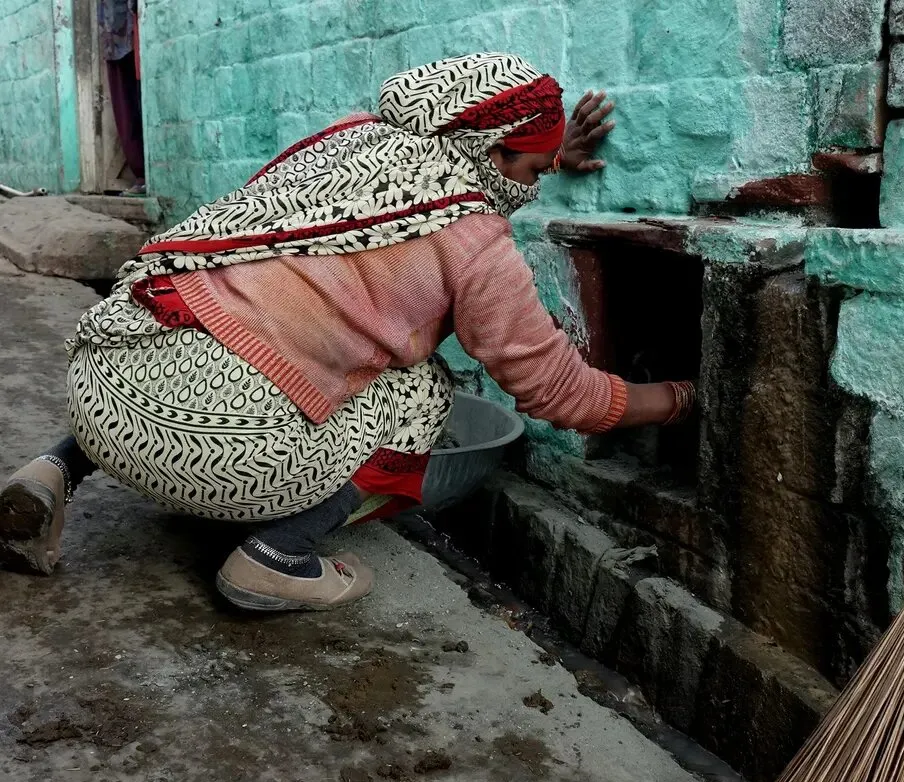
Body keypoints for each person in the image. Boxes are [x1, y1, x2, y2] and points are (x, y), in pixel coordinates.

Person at [0, 53, 695, 612]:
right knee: (424, 393)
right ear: (495, 154)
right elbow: (553, 388)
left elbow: (473, 163)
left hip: (104, 378)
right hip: (205, 448)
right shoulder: (477, 243)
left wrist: (538, 151)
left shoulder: (348, 141)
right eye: (534, 172)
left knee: (202, 327)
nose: (534, 190)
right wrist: (674, 400)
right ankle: (275, 558)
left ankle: (52, 471)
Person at [98, 0, 146, 195]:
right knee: (126, 106)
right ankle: (141, 175)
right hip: (115, 38)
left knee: (137, 101)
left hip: (134, 29)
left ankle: (144, 175)